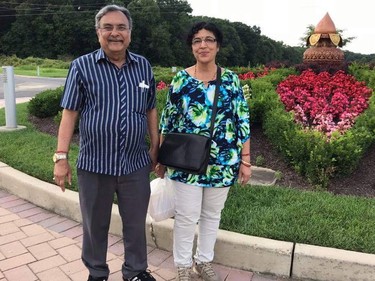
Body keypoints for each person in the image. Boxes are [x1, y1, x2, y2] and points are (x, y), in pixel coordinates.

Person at [53, 4, 158, 281]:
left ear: (130, 33)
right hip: (95, 164)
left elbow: (150, 109)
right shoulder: (82, 66)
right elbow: (70, 113)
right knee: (94, 225)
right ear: (98, 32)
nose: (115, 33)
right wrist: (61, 157)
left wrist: (155, 147)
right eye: (108, 27)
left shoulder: (143, 66)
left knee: (135, 224)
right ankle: (97, 273)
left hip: (135, 164)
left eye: (121, 27)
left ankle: (135, 271)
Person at [156, 22, 251, 281]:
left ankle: (204, 261)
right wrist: (161, 158)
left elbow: (242, 120)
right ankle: (183, 266)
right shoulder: (181, 79)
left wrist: (246, 160)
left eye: (209, 40)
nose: (203, 45)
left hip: (223, 161)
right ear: (192, 47)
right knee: (186, 216)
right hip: (185, 161)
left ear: (218, 46)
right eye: (197, 40)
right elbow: (168, 120)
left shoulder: (230, 79)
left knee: (211, 214)